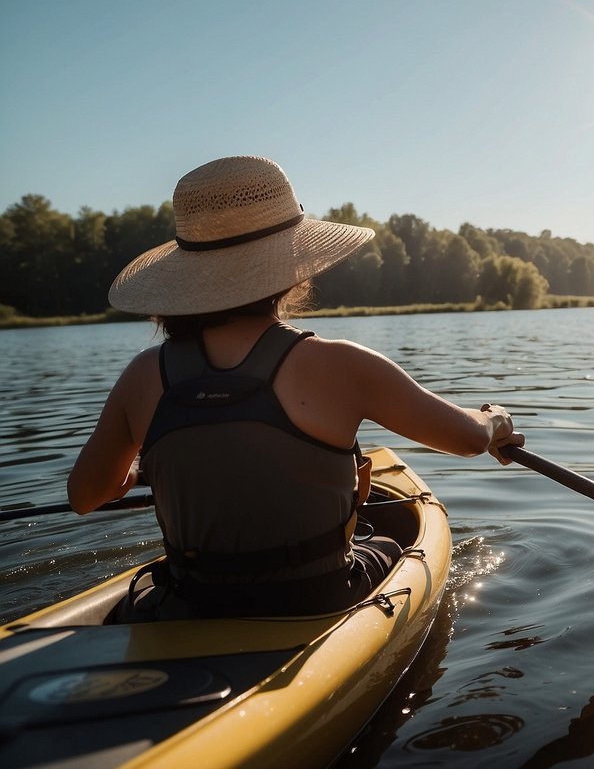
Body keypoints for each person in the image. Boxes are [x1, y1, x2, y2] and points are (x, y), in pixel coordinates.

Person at [68, 155, 524, 620]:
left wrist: (130, 474)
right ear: (292, 264)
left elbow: (84, 496)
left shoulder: (142, 375)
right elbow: (468, 439)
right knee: (391, 541)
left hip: (190, 606)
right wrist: (496, 420)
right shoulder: (341, 363)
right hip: (318, 599)